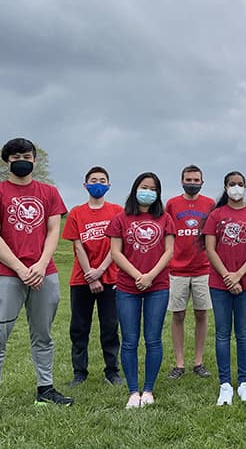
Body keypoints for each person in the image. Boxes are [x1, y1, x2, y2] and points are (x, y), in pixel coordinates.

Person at [0, 138, 72, 424]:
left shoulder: (49, 192)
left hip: (45, 273)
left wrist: (40, 265)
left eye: (27, 155)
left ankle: (45, 389)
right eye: (16, 156)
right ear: (7, 161)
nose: (22, 160)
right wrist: (20, 268)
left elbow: (54, 230)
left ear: (35, 160)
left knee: (43, 336)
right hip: (6, 275)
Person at [106, 172, 175, 409]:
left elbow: (168, 251)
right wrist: (137, 276)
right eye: (144, 187)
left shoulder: (165, 218)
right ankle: (133, 391)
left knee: (153, 339)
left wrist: (150, 276)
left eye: (152, 188)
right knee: (129, 340)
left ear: (158, 193)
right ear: (135, 189)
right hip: (127, 287)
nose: (148, 191)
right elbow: (116, 252)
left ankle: (149, 389)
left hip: (158, 286)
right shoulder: (120, 219)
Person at [202, 171, 246, 405]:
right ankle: (225, 384)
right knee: (222, 334)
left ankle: (244, 382)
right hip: (219, 284)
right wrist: (227, 276)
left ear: (245, 187)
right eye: (232, 184)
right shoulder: (216, 215)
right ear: (225, 187)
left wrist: (239, 274)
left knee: (243, 334)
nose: (236, 188)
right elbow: (210, 248)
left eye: (240, 184)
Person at [62, 166, 124, 387]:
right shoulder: (76, 213)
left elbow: (117, 245)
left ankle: (112, 371)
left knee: (110, 326)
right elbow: (78, 246)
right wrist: (90, 275)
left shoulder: (117, 210)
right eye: (93, 179)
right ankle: (80, 372)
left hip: (110, 278)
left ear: (108, 185)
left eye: (102, 180)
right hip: (81, 279)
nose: (98, 183)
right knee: (79, 327)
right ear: (85, 185)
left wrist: (101, 271)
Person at [165, 165, 214, 380]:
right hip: (177, 269)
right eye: (188, 179)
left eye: (196, 180)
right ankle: (179, 363)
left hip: (203, 268)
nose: (192, 183)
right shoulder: (172, 204)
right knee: (178, 314)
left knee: (201, 313)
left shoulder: (209, 204)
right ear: (181, 180)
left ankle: (198, 361)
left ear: (202, 182)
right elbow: (168, 234)